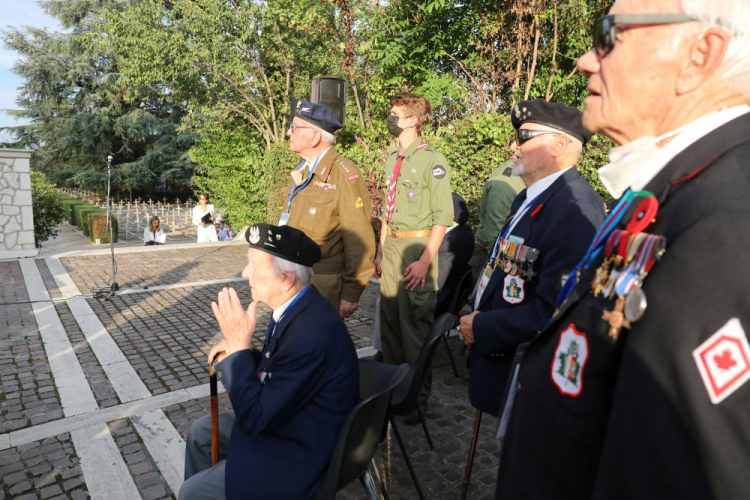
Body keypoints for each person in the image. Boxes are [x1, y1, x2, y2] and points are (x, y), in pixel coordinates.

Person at [495, 1, 750, 499]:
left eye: (609, 34)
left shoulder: (724, 224)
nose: (586, 61)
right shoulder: (675, 187)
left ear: (700, 55)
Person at [179, 223, 359, 500]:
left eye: (253, 265)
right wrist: (240, 354)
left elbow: (255, 418)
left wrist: (239, 350)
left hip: (297, 450)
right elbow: (280, 369)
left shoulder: (310, 334)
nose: (244, 273)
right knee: (201, 433)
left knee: (192, 493)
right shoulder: (298, 307)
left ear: (286, 279)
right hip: (289, 419)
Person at [458, 99, 604, 419]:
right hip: (503, 361)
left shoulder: (575, 209)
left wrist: (483, 327)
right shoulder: (527, 196)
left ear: (559, 144)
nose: (513, 145)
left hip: (526, 370)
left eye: (524, 136)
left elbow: (557, 311)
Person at [376, 93, 453, 424]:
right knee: (391, 324)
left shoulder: (432, 162)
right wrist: (380, 252)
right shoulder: (393, 157)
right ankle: (393, 392)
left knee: (415, 328)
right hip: (392, 247)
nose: (391, 119)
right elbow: (385, 213)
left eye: (396, 114)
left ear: (414, 120)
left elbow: (442, 219)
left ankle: (417, 400)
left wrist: (424, 261)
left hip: (416, 249)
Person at [282, 99, 375, 318]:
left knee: (319, 345)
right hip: (295, 275)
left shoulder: (343, 174)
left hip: (322, 282)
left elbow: (359, 239)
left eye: (294, 127)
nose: (288, 132)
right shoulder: (301, 170)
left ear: (315, 137)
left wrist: (351, 292)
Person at [468, 157, 525, 284]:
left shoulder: (523, 173)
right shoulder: (507, 180)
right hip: (495, 256)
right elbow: (495, 227)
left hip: (510, 254)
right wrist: (497, 265)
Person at [434, 192, 475, 316]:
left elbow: (437, 282)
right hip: (450, 299)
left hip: (439, 303)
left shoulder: (450, 242)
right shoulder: (465, 232)